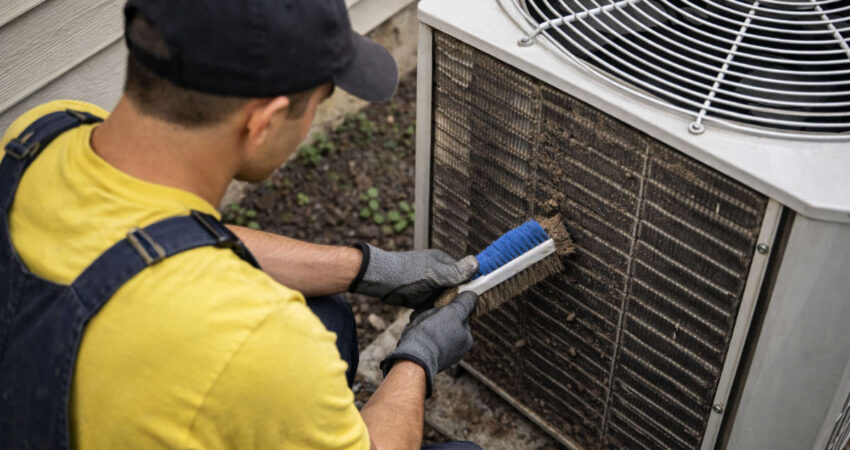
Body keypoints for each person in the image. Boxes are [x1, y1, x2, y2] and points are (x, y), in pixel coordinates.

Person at [0, 1, 483, 449]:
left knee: (329, 317)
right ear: (264, 121)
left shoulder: (44, 134)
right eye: (321, 97)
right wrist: (416, 358)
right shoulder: (257, 337)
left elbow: (153, 234)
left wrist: (364, 268)